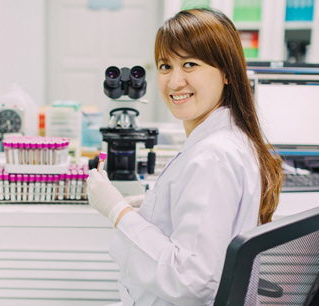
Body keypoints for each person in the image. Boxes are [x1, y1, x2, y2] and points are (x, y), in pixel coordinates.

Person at [87, 8, 283, 306]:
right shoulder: (226, 139)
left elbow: (192, 282)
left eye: (190, 64)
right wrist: (156, 202)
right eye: (165, 66)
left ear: (227, 72)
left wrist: (117, 211)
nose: (175, 81)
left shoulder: (213, 156)